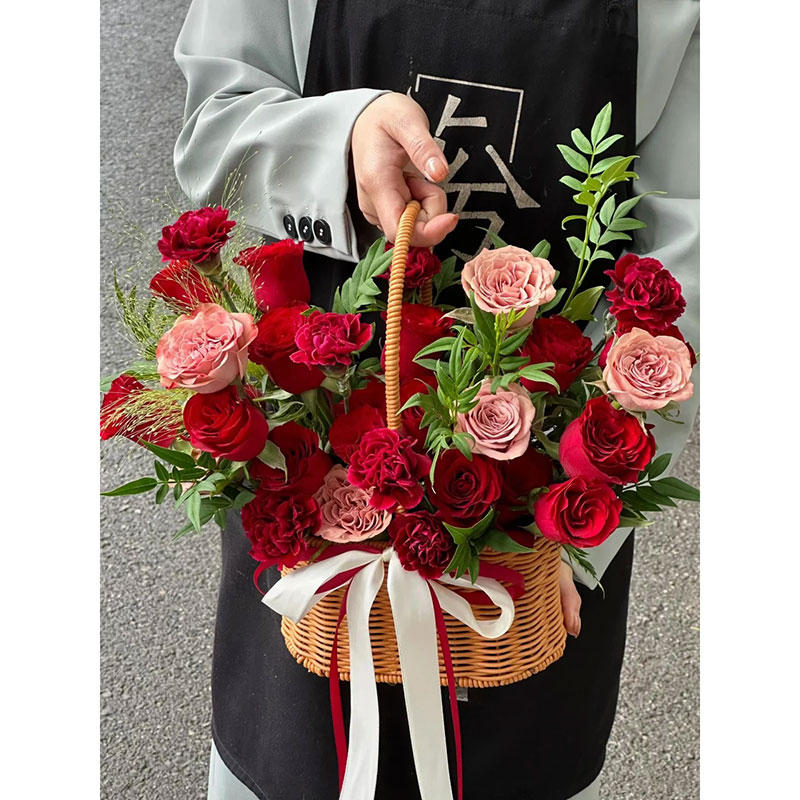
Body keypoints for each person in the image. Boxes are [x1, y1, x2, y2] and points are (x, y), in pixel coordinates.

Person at [173, 1, 700, 798]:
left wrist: (577, 530)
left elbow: (697, 241)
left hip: (539, 513)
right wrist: (339, 140)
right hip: (312, 471)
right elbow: (214, 128)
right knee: (296, 759)